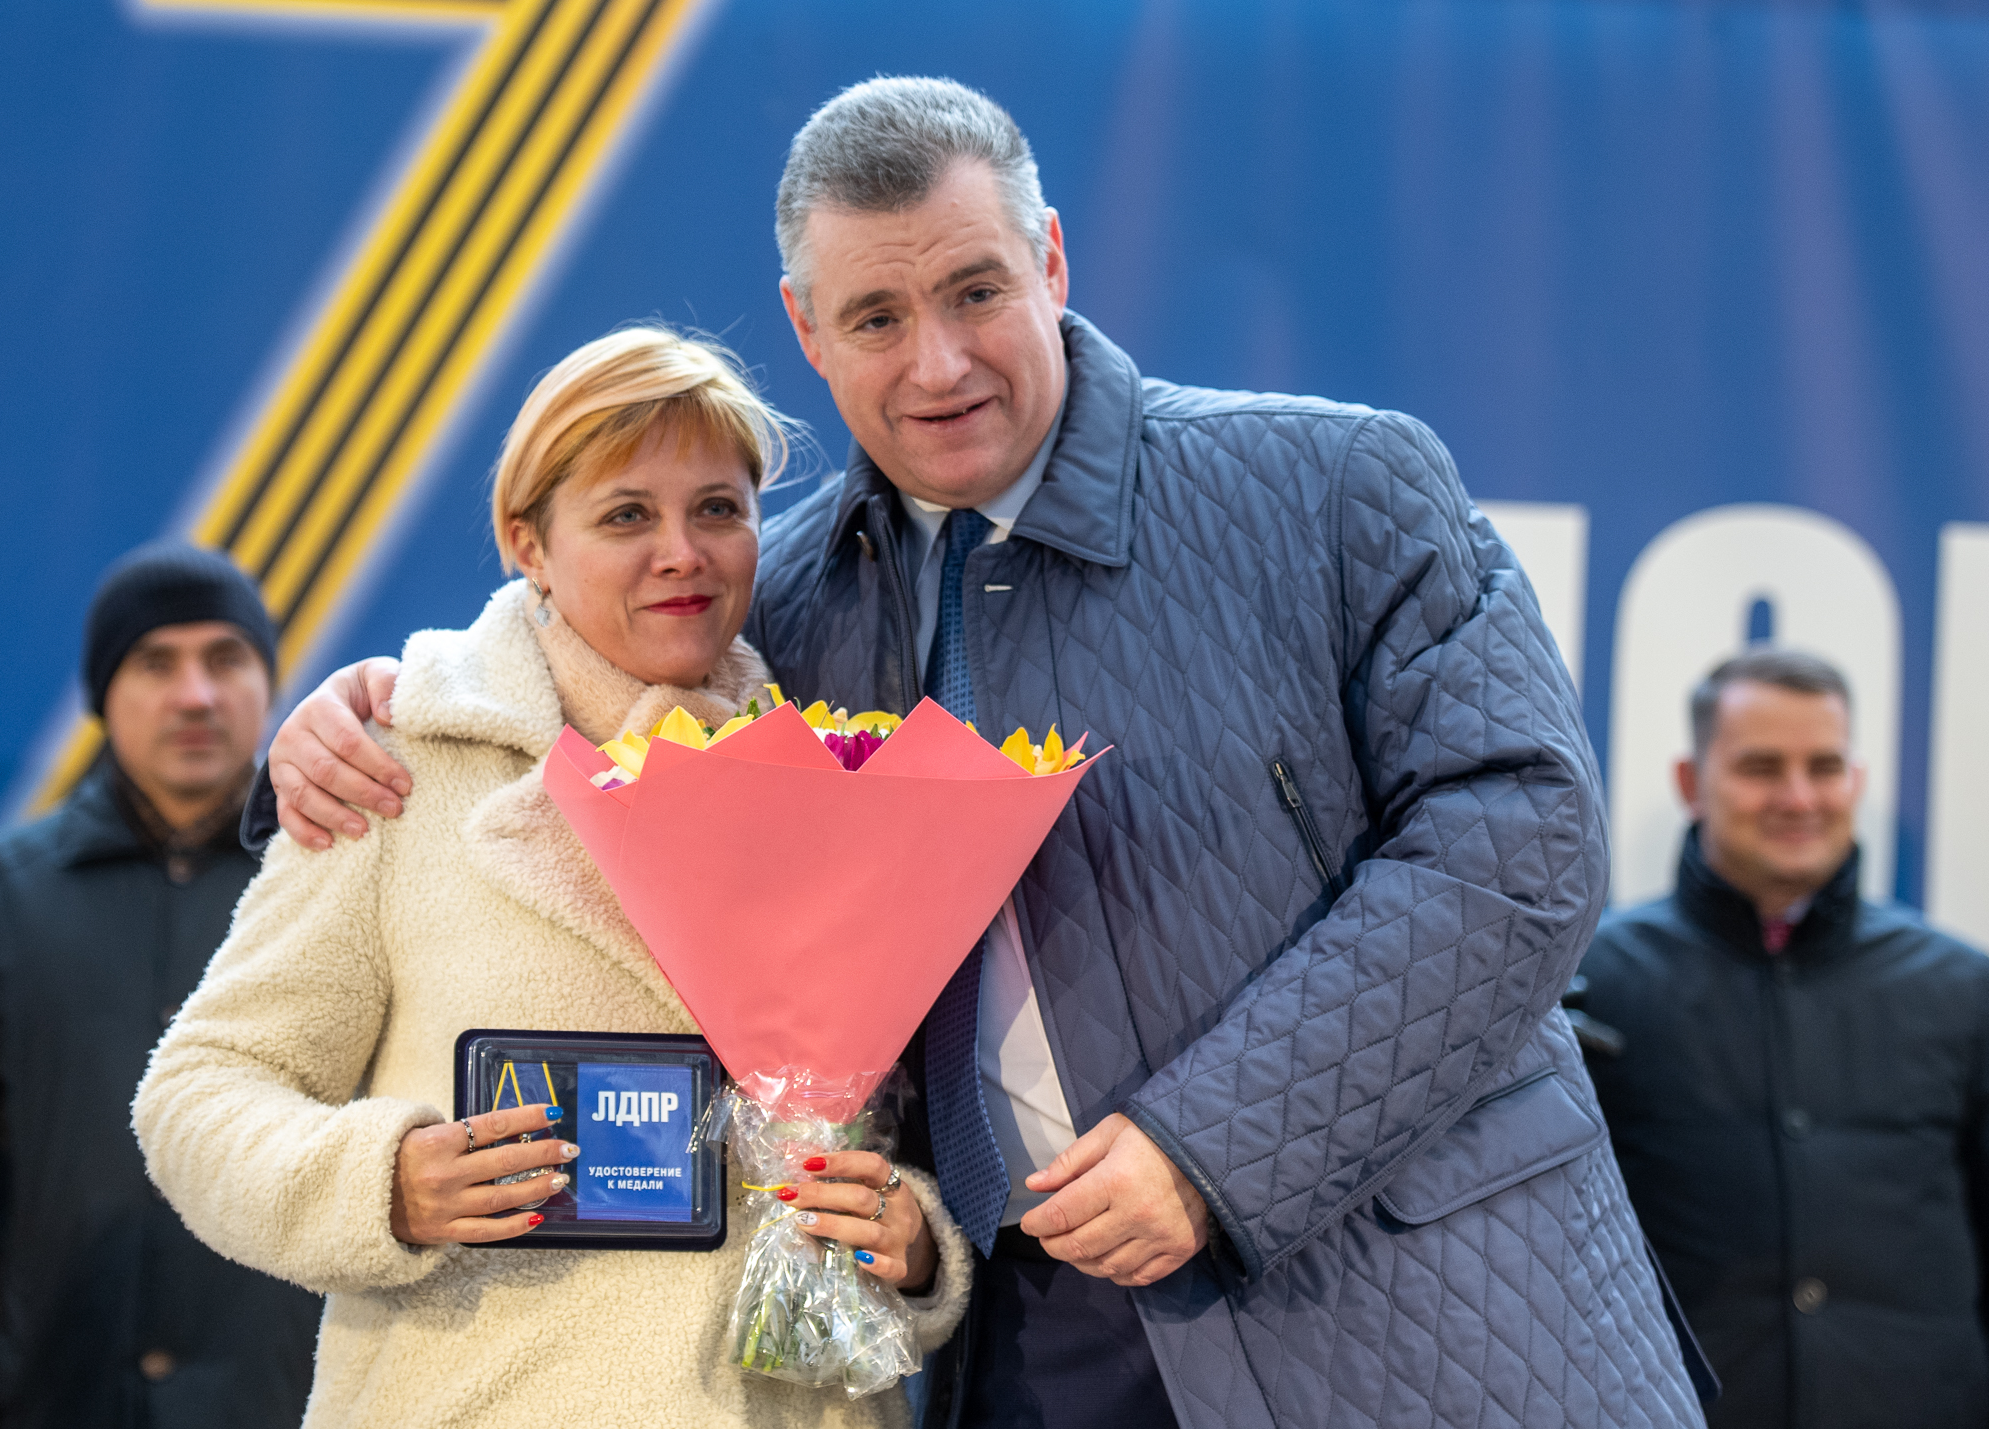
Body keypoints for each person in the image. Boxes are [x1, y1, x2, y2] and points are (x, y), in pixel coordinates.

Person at [252, 79, 1704, 1428]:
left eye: (975, 291)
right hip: (1018, 1350)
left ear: (1052, 261)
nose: (937, 363)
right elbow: (566, 652)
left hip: (1393, 1315)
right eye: (875, 317)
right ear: (806, 329)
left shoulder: (1334, 486)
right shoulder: (775, 605)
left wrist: (1211, 1150)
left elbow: (1521, 840)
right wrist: (377, 700)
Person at [131, 328, 971, 1429]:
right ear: (527, 541)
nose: (682, 552)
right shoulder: (397, 762)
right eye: (626, 515)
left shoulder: (833, 773)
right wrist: (384, 1182)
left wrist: (910, 1243)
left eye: (718, 508)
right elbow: (197, 1091)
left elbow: (879, 1129)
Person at [1577, 648, 1989, 1428]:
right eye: (1761, 766)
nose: (1798, 797)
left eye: (1824, 766)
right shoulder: (1592, 982)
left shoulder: (1964, 989)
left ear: (1856, 779)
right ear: (1691, 781)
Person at [0, 543, 321, 1426]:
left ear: (269, 683)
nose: (195, 695)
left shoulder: (333, 885)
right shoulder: (5, 896)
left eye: (226, 658)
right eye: (155, 662)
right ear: (104, 694)